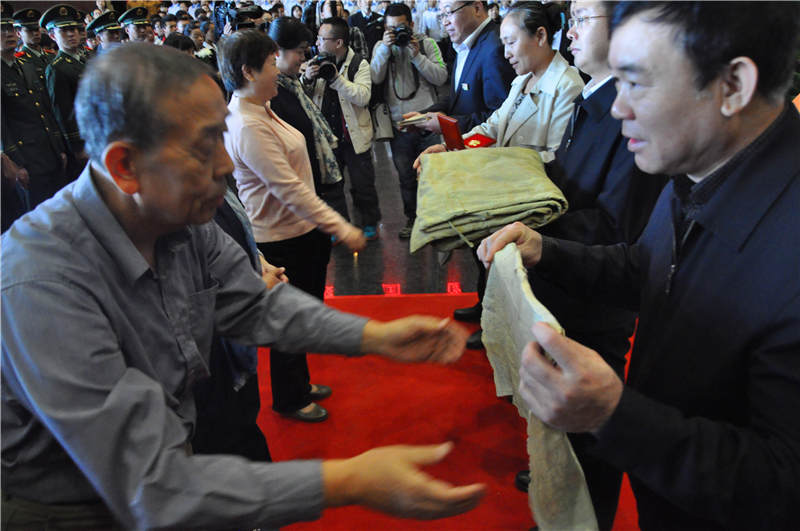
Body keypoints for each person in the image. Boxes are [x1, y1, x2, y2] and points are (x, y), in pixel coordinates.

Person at [1, 41, 485, 530]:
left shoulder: (177, 218)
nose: (226, 164)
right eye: (202, 146)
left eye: (222, 136)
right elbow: (151, 487)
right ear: (125, 166)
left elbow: (257, 308)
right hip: (72, 510)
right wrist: (350, 482)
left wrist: (374, 336)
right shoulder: (41, 282)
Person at [478, 2, 800, 529]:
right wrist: (546, 249)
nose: (620, 108)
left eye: (638, 83)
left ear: (732, 86)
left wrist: (614, 415)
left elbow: (783, 485)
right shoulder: (698, 166)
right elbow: (649, 267)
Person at [221, 30, 368, 423]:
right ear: (248, 72)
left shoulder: (262, 107)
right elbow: (289, 190)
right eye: (272, 64)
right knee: (287, 321)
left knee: (300, 315)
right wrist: (341, 226)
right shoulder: (247, 124)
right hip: (282, 238)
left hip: (301, 231)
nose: (281, 70)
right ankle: (289, 397)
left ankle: (299, 384)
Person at [419, 1, 584, 350]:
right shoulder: (523, 79)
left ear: (541, 36)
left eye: (510, 42)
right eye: (504, 43)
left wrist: (493, 162)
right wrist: (453, 146)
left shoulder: (566, 85)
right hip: (507, 194)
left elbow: (554, 156)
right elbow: (493, 125)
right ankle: (490, 317)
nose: (505, 52)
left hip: (532, 202)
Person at [370, 2, 447, 239]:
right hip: (398, 123)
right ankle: (413, 220)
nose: (397, 33)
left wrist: (417, 57)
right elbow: (374, 77)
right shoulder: (381, 47)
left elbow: (441, 77)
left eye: (401, 27)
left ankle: (436, 221)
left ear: (412, 25)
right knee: (405, 177)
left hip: (428, 121)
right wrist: (385, 49)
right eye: (391, 29)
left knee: (433, 175)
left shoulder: (426, 43)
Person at [306, 16, 382, 240]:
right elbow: (305, 97)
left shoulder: (359, 63)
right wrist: (306, 78)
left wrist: (336, 78)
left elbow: (363, 96)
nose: (317, 43)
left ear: (338, 42)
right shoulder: (315, 62)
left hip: (353, 136)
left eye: (322, 39)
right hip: (328, 139)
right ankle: (340, 228)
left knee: (363, 185)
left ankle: (369, 223)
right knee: (332, 187)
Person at [270, 17, 348, 233]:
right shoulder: (273, 95)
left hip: (314, 184)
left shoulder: (292, 84)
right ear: (277, 51)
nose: (304, 58)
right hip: (300, 196)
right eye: (299, 52)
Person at [404, 0, 515, 135]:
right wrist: (425, 116)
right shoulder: (465, 43)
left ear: (477, 8)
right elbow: (458, 97)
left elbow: (503, 117)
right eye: (442, 16)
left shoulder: (494, 49)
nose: (445, 22)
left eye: (449, 13)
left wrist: (447, 124)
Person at [41, 4, 87, 182]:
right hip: (81, 138)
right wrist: (77, 147)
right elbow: (63, 111)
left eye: (74, 29)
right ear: (53, 36)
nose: (71, 34)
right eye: (64, 31)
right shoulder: (56, 68)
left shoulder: (84, 60)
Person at [13, 8, 56, 76]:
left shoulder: (51, 55)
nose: (36, 33)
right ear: (18, 33)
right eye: (30, 30)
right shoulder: (19, 60)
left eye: (37, 29)